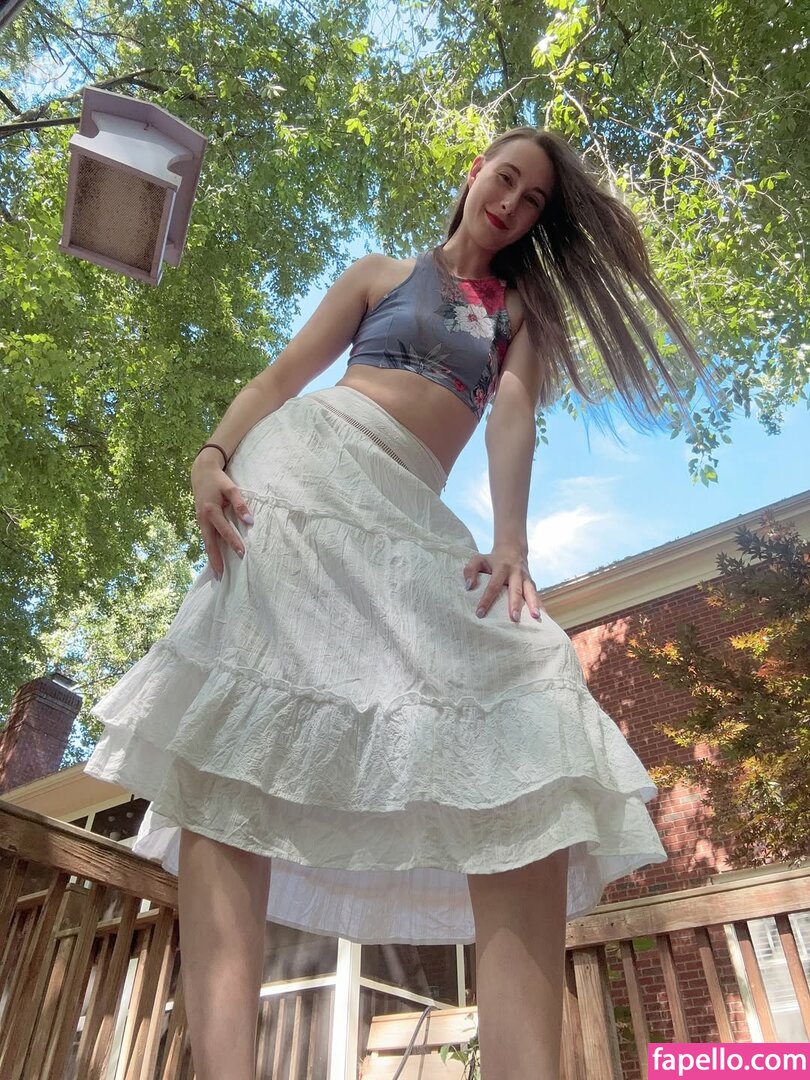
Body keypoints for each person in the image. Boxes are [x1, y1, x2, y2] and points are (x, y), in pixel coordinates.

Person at [84, 126, 708, 1080]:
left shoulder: (516, 315)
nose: (512, 204)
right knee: (233, 734)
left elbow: (510, 416)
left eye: (534, 200)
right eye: (506, 179)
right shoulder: (379, 275)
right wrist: (211, 457)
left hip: (407, 507)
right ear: (475, 172)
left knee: (532, 690)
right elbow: (281, 377)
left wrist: (511, 541)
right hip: (301, 478)